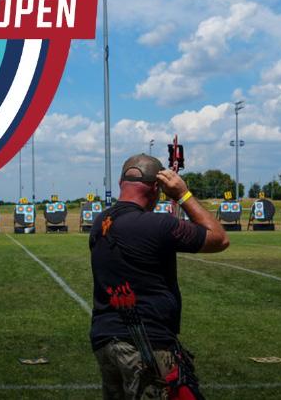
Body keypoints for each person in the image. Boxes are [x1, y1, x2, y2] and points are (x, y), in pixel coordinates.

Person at [89, 153, 229, 399]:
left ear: (121, 182)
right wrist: (182, 194)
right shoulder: (156, 225)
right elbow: (219, 239)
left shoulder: (101, 222)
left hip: (105, 340)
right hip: (146, 343)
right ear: (157, 187)